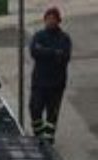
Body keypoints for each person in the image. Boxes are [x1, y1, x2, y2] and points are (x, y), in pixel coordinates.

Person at [29, 7, 72, 141]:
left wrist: (46, 52)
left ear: (58, 21)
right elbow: (34, 52)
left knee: (52, 114)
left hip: (56, 83)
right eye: (48, 19)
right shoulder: (39, 36)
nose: (50, 22)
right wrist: (54, 52)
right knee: (35, 108)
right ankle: (39, 135)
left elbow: (64, 57)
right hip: (39, 82)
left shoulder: (64, 38)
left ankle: (48, 138)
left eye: (53, 19)